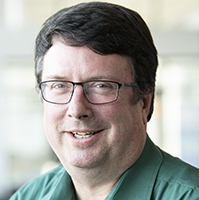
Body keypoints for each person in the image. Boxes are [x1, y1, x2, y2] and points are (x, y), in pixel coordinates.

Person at [10, 2, 199, 200]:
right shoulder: (27, 196)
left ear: (144, 101)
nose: (76, 109)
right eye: (59, 85)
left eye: (101, 85)